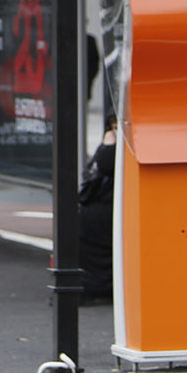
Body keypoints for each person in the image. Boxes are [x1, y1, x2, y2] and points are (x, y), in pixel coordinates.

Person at [78, 115, 117, 303]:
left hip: (115, 209)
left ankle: (97, 285)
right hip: (104, 208)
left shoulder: (116, 145)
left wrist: (109, 144)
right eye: (113, 127)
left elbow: (106, 164)